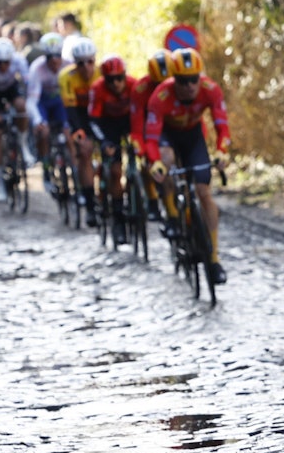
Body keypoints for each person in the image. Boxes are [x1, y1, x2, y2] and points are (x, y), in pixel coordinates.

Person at [143, 47, 232, 284]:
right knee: (167, 161)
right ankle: (172, 215)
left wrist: (222, 151)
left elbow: (222, 126)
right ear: (174, 80)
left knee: (204, 193)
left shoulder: (210, 89)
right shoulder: (160, 97)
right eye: (183, 81)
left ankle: (213, 260)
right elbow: (150, 139)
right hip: (167, 137)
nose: (190, 86)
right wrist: (156, 164)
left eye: (194, 79)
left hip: (193, 137)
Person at [88, 54, 137, 244]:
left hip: (128, 121)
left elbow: (144, 112)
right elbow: (93, 120)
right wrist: (104, 142)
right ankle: (118, 219)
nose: (116, 83)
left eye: (120, 78)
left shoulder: (134, 85)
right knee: (115, 171)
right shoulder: (97, 89)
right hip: (107, 125)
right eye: (111, 80)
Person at [0, 37, 31, 202]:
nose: (3, 66)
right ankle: (0, 180)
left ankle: (23, 144)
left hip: (11, 89)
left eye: (6, 62)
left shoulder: (19, 61)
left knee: (22, 106)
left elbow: (27, 83)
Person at [59, 36, 101, 222]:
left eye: (90, 61)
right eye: (80, 63)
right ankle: (90, 205)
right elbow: (70, 110)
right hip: (78, 116)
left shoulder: (102, 73)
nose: (86, 67)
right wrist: (79, 132)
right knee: (84, 152)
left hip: (100, 116)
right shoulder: (66, 77)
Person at [26, 31, 70, 203]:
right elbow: (31, 101)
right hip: (42, 103)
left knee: (69, 133)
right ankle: (45, 167)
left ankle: (73, 169)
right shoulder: (37, 68)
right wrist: (38, 121)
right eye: (50, 57)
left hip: (60, 103)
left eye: (57, 56)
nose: (54, 61)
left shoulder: (68, 65)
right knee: (43, 133)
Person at [131, 49, 174, 221]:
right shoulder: (140, 89)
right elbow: (136, 125)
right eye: (158, 85)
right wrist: (142, 150)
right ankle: (153, 200)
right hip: (148, 127)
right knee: (152, 162)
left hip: (173, 124)